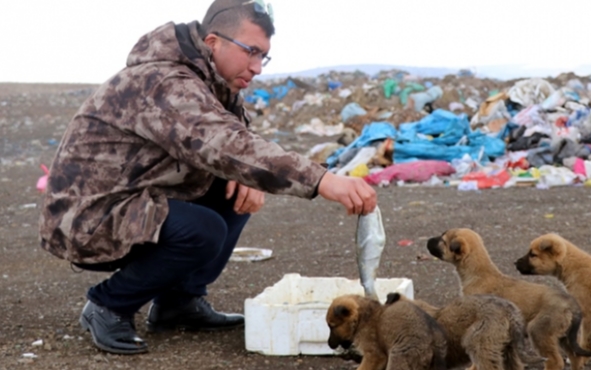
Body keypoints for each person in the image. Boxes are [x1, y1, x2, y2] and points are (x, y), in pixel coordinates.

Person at [37, 0, 377, 355]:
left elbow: (236, 142)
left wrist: (244, 174)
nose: (258, 67)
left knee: (236, 190)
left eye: (265, 57)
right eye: (252, 52)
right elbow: (221, 142)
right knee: (203, 230)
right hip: (86, 217)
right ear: (213, 41)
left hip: (134, 198)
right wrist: (323, 180)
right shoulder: (164, 82)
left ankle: (178, 304)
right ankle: (108, 305)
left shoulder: (216, 84)